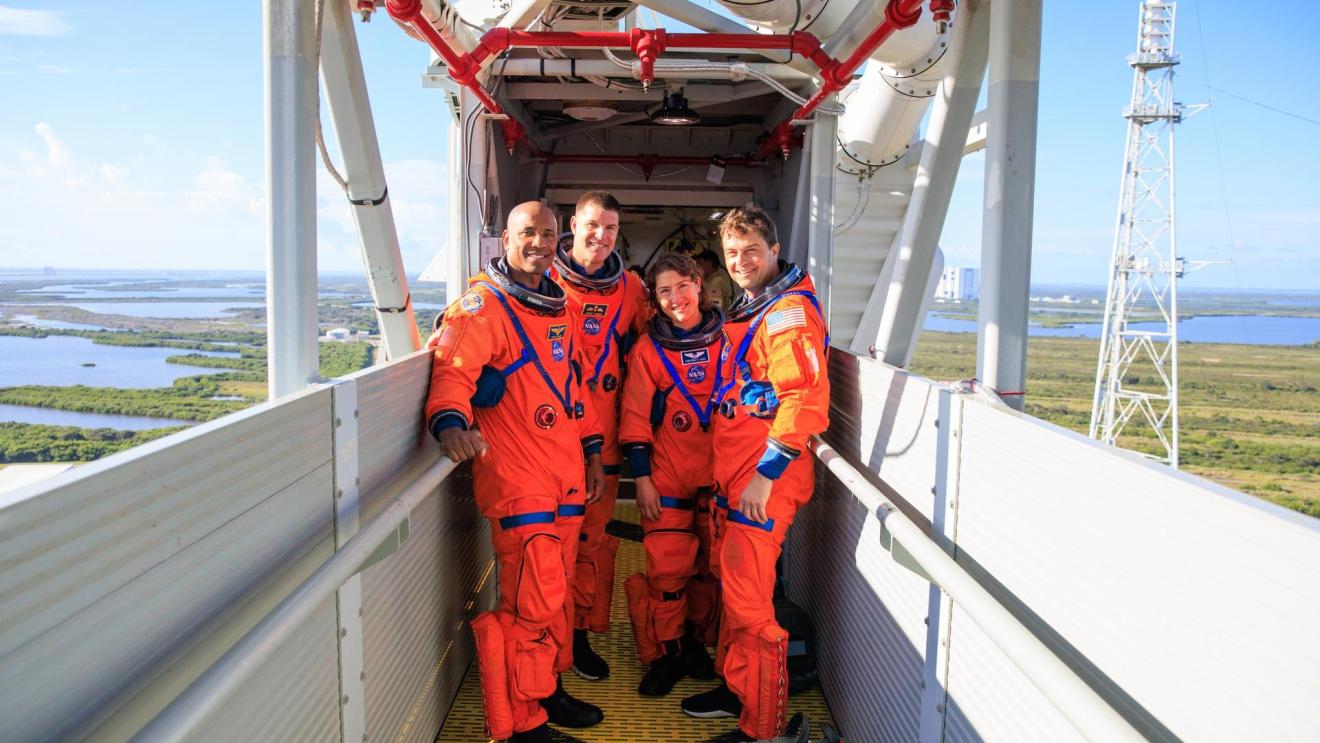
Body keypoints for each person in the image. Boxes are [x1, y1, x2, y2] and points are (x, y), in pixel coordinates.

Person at [424, 201, 607, 743]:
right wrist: (451, 426)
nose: (539, 243)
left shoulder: (560, 306)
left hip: (565, 475)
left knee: (558, 594)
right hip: (518, 478)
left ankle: (546, 689)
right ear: (505, 238)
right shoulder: (482, 306)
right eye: (528, 232)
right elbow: (452, 375)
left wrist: (594, 453)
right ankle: (522, 724)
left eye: (549, 234)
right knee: (532, 599)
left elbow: (574, 387)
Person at [682, 207, 830, 743]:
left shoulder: (787, 313)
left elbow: (804, 400)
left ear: (773, 250)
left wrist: (765, 477)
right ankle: (737, 688)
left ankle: (763, 727)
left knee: (750, 607)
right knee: (737, 595)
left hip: (761, 485)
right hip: (736, 480)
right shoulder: (754, 311)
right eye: (732, 254)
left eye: (751, 251)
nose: (741, 262)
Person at [550, 190, 651, 681]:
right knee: (548, 547)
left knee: (590, 543)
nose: (601, 235)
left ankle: (579, 636)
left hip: (604, 443)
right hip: (549, 442)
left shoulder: (631, 290)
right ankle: (545, 640)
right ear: (574, 224)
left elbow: (657, 346)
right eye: (593, 224)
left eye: (610, 228)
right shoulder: (541, 278)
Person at [618, 253, 724, 698]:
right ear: (656, 300)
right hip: (668, 478)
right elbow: (635, 419)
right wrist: (641, 478)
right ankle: (666, 652)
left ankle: (695, 643)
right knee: (667, 576)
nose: (676, 297)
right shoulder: (649, 351)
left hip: (719, 479)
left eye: (682, 286)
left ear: (699, 284)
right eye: (664, 291)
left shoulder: (732, 341)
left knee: (707, 573)